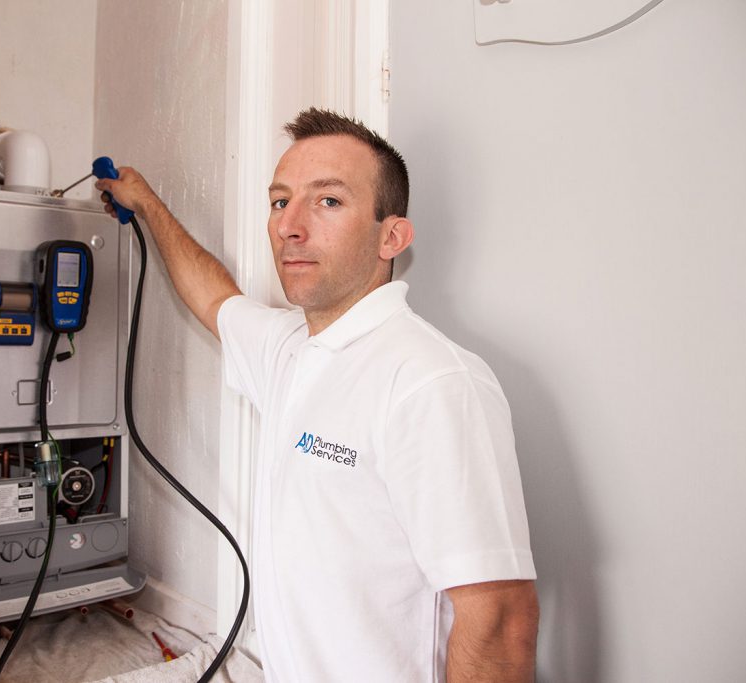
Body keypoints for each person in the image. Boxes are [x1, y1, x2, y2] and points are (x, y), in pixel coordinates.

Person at [96, 108, 539, 682]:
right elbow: (213, 294)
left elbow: (501, 620)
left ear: (392, 236)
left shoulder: (431, 384)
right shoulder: (291, 346)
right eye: (280, 202)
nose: (290, 226)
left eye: (328, 201)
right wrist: (146, 204)